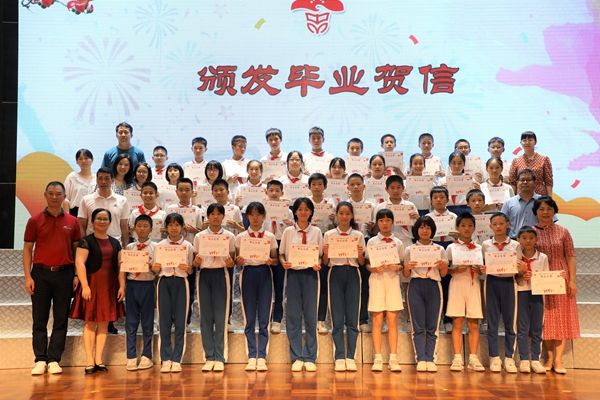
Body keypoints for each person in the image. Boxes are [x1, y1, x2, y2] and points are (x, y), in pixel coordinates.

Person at [24, 181, 82, 375]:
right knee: (39, 319)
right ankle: (40, 359)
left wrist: (76, 274)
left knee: (60, 319)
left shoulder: (73, 222)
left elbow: (77, 251)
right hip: (40, 274)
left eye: (58, 193)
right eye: (51, 193)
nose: (55, 197)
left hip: (65, 274)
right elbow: (27, 249)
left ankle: (54, 359)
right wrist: (28, 277)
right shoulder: (34, 220)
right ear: (45, 195)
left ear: (65, 196)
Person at [69, 208, 125, 374]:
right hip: (91, 285)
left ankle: (99, 360)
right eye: (98, 218)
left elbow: (121, 266)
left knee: (104, 323)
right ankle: (89, 361)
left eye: (105, 219)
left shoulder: (116, 243)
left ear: (110, 222)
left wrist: (122, 286)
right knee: (90, 322)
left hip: (109, 286)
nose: (102, 221)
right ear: (92, 222)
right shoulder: (86, 241)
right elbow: (79, 263)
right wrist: (85, 286)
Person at [533, 196, 579, 374]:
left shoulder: (563, 231)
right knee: (544, 318)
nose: (545, 212)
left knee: (561, 318)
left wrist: (572, 281)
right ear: (536, 212)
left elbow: (570, 257)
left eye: (549, 209)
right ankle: (549, 358)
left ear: (554, 211)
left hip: (561, 277)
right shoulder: (531, 232)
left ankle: (559, 359)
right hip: (540, 278)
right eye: (541, 209)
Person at [279, 197, 323, 372]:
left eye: (306, 209)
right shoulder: (288, 232)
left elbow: (320, 255)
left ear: (311, 212)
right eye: (300, 209)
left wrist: (318, 263)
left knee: (311, 316)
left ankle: (310, 356)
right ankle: (296, 356)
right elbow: (282, 253)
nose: (303, 212)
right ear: (295, 212)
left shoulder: (317, 232)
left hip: (311, 275)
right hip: (293, 275)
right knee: (293, 316)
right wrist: (284, 262)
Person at [235, 202, 278, 372]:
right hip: (248, 274)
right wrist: (239, 261)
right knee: (249, 317)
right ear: (247, 216)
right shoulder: (241, 237)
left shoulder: (270, 236)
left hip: (265, 273)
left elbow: (275, 260)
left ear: (263, 216)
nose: (255, 217)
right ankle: (252, 355)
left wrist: (271, 261)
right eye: (251, 214)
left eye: (258, 214)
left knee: (264, 317)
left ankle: (262, 356)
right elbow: (237, 259)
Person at [193, 203, 236, 372]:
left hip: (221, 275)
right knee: (206, 317)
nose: (216, 216)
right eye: (212, 214)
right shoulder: (200, 236)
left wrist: (230, 262)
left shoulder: (229, 236)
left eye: (219, 214)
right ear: (208, 216)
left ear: (223, 216)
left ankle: (220, 356)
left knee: (220, 317)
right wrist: (196, 262)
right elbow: (195, 261)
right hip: (204, 275)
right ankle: (209, 356)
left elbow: (232, 260)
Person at [323, 202, 365, 372]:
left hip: (353, 273)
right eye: (341, 213)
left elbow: (361, 262)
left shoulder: (358, 235)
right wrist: (326, 253)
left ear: (352, 215)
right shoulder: (329, 235)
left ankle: (351, 357)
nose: (345, 216)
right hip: (335, 273)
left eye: (348, 213)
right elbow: (325, 261)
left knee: (353, 318)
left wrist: (360, 254)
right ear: (337, 215)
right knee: (337, 317)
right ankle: (340, 356)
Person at [403, 216, 448, 372]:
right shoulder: (409, 249)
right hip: (416, 285)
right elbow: (406, 274)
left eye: (428, 228)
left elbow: (443, 274)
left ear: (432, 230)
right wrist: (407, 267)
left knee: (432, 326)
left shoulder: (439, 249)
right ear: (416, 230)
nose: (424, 230)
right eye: (421, 227)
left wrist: (444, 265)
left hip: (434, 285)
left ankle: (431, 358)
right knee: (417, 326)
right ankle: (421, 358)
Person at [152, 213, 194, 373]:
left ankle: (177, 359)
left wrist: (187, 268)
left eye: (177, 225)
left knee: (180, 322)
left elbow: (191, 270)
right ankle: (166, 358)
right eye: (170, 225)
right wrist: (155, 269)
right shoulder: (159, 246)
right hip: (164, 282)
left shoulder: (188, 246)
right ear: (166, 227)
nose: (174, 228)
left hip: (181, 283)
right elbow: (156, 269)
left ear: (182, 227)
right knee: (164, 321)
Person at [481, 212, 521, 373]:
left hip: (509, 283)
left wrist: (521, 269)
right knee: (492, 322)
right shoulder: (485, 245)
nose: (498, 227)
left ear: (508, 225)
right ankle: (494, 357)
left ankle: (509, 358)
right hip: (491, 282)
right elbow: (482, 265)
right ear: (490, 226)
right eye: (495, 224)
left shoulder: (515, 245)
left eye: (501, 223)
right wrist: (482, 269)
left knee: (510, 322)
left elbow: (519, 266)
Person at [365, 209, 404, 372]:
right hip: (377, 280)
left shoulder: (398, 243)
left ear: (392, 222)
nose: (385, 223)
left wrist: (398, 267)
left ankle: (393, 358)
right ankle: (378, 358)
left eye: (388, 220)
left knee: (392, 322)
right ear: (377, 223)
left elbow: (401, 264)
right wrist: (373, 269)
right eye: (381, 220)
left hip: (392, 281)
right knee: (377, 321)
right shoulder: (372, 242)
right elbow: (367, 264)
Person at [446, 213, 485, 372]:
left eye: (470, 225)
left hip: (473, 284)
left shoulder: (479, 248)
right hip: (457, 283)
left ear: (474, 228)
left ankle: (473, 358)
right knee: (457, 322)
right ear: (457, 228)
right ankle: (457, 358)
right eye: (463, 225)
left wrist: (480, 270)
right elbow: (445, 270)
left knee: (473, 323)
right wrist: (454, 270)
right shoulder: (451, 247)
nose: (467, 229)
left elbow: (483, 270)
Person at [122, 215, 156, 371]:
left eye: (145, 226)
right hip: (131, 285)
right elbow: (124, 270)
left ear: (151, 229)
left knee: (148, 322)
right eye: (139, 226)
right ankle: (131, 356)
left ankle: (147, 355)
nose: (142, 229)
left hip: (148, 284)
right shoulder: (129, 248)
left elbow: (158, 271)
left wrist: (152, 267)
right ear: (134, 228)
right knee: (131, 321)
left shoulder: (155, 247)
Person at [515, 226, 548, 374]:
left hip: (537, 294)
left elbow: (546, 277)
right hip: (521, 293)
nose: (528, 241)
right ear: (518, 240)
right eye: (524, 238)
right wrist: (522, 275)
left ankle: (535, 359)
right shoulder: (516, 258)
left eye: (531, 238)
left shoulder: (543, 257)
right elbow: (514, 278)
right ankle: (524, 360)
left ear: (536, 239)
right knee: (522, 328)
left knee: (537, 328)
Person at [262, 180, 294, 334]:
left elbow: (292, 232)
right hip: (264, 245)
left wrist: (290, 225)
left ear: (282, 193)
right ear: (266, 192)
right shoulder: (261, 209)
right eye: (271, 190)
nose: (274, 193)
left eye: (277, 190)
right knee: (265, 285)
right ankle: (265, 317)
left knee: (280, 285)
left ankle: (277, 319)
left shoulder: (288, 211)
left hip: (281, 245)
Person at [346, 173, 375, 332]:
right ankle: (348, 318)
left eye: (358, 184)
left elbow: (377, 230)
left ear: (364, 186)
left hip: (365, 243)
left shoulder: (371, 206)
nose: (356, 187)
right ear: (348, 187)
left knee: (364, 284)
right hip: (347, 245)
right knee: (348, 285)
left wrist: (372, 228)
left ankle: (363, 319)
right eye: (352, 184)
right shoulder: (343, 206)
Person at [78, 167, 130, 247]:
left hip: (116, 244)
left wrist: (126, 247)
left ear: (112, 180)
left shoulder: (122, 201)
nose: (103, 182)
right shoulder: (86, 200)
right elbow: (82, 226)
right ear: (96, 180)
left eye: (107, 178)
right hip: (92, 245)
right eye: (100, 178)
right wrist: (83, 245)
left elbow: (124, 226)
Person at [500, 169, 542, 239]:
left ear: (535, 182)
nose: (525, 182)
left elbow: (550, 222)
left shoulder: (542, 201)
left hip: (538, 240)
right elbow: (501, 223)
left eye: (528, 180)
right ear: (517, 183)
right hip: (514, 241)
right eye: (522, 180)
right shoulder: (509, 202)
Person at [509, 131, 553, 196]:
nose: (527, 142)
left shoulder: (544, 159)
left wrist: (549, 198)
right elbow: (513, 182)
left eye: (530, 140)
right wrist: (512, 199)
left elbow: (548, 181)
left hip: (540, 195)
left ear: (535, 142)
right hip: (521, 195)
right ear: (521, 143)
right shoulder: (516, 161)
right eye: (524, 140)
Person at [63, 149, 95, 217]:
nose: (83, 161)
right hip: (75, 213)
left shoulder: (97, 179)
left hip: (93, 213)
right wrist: (67, 217)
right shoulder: (72, 177)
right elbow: (65, 198)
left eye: (86, 158)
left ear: (92, 160)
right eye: (80, 159)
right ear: (77, 161)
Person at [223, 135, 249, 203]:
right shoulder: (225, 164)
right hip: (229, 198)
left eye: (244, 147)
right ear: (233, 147)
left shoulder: (249, 164)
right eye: (240, 146)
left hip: (246, 198)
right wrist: (228, 182)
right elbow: (220, 184)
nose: (243, 149)